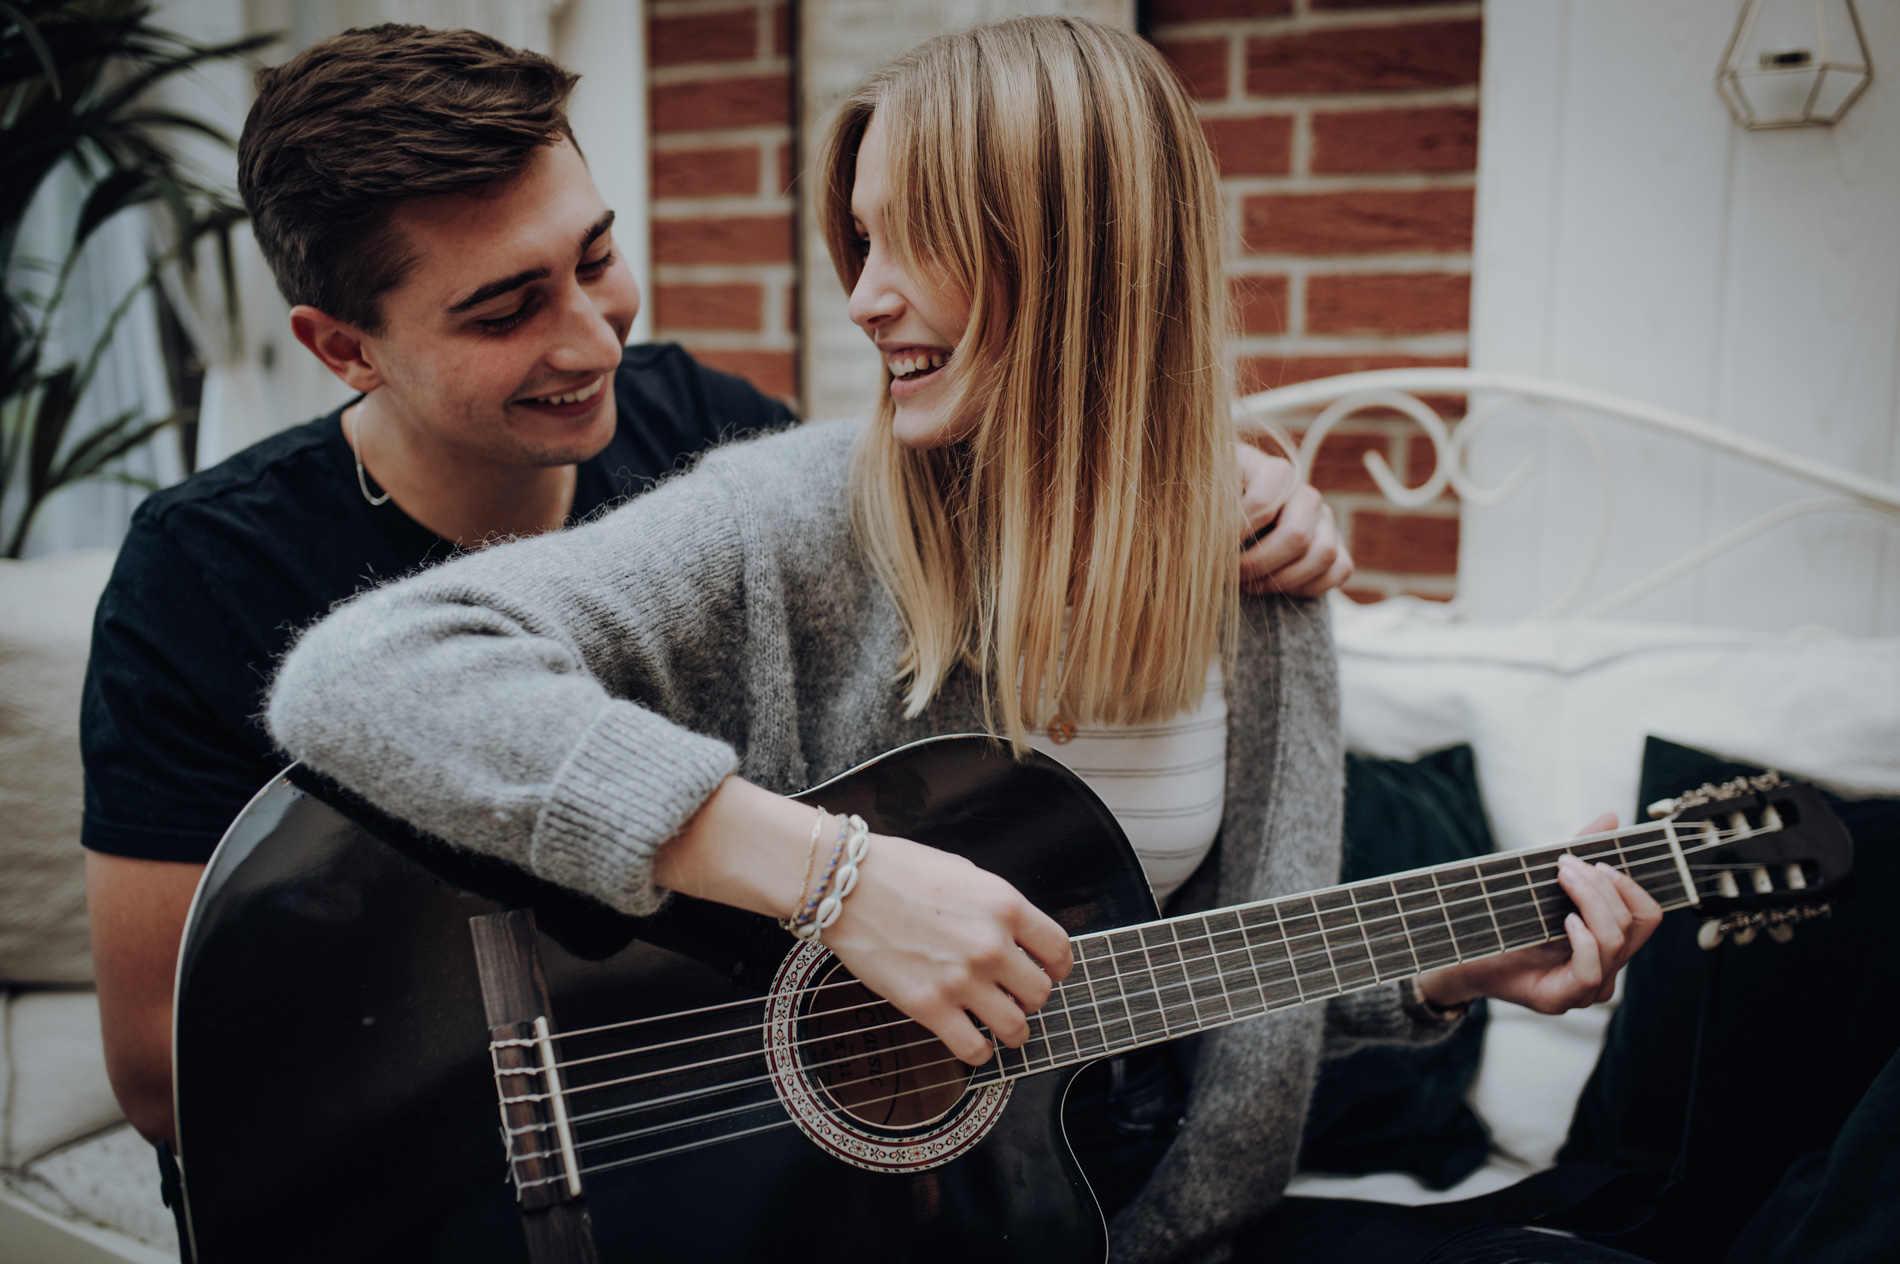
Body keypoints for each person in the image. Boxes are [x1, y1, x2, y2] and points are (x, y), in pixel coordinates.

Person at [264, 17, 1635, 1264]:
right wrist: (839, 879)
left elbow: (1161, 989)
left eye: (913, 242)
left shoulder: (1257, 570)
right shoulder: (785, 516)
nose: (863, 298)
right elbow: (366, 676)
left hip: (1164, 1220)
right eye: (860, 242)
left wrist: (1428, 972)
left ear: (1084, 260)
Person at [79, 21, 1340, 1161]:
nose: (593, 339)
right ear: (342, 348)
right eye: (508, 310)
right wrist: (838, 879)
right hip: (411, 1178)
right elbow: (163, 1072)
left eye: (599, 257)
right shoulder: (203, 566)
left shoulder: (706, 428)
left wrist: (1191, 481)